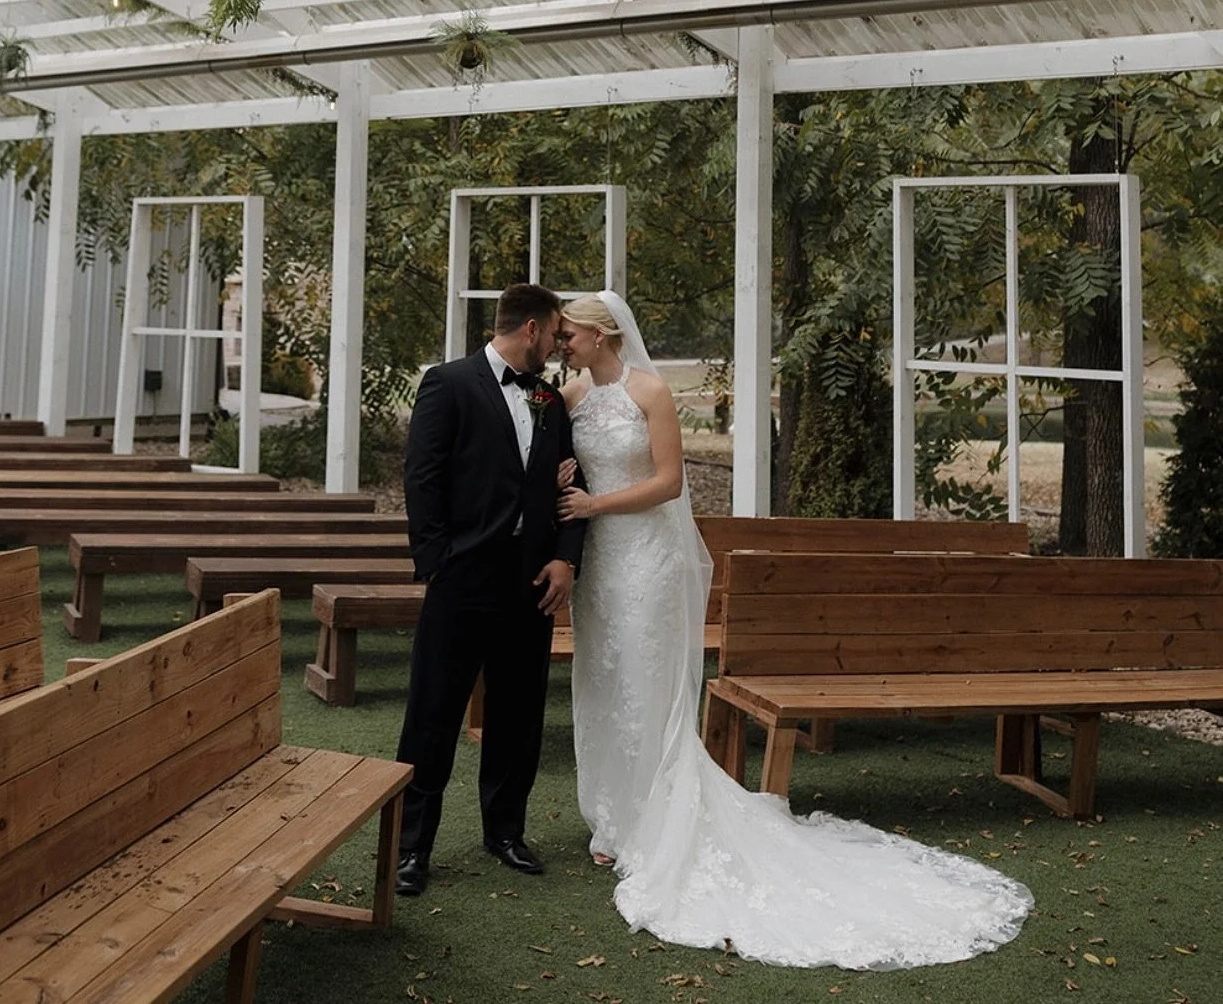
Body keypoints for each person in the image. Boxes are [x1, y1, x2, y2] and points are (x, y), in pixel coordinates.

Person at [555, 291, 1033, 969]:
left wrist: (595, 499)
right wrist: (563, 477)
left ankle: (653, 822)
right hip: (600, 564)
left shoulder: (652, 391)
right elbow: (558, 459)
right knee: (603, 681)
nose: (561, 343)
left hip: (645, 560)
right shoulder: (572, 396)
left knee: (645, 684)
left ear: (602, 335)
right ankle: (613, 816)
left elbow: (666, 483)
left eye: (569, 334)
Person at [395, 282, 587, 898]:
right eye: (556, 333)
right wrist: (437, 564)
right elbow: (421, 478)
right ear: (530, 328)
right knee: (434, 711)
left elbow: (566, 487)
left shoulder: (549, 399)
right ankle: (410, 848)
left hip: (531, 582)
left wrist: (564, 559)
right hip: (462, 579)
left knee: (518, 712)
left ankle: (505, 832)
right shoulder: (447, 383)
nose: (559, 344)